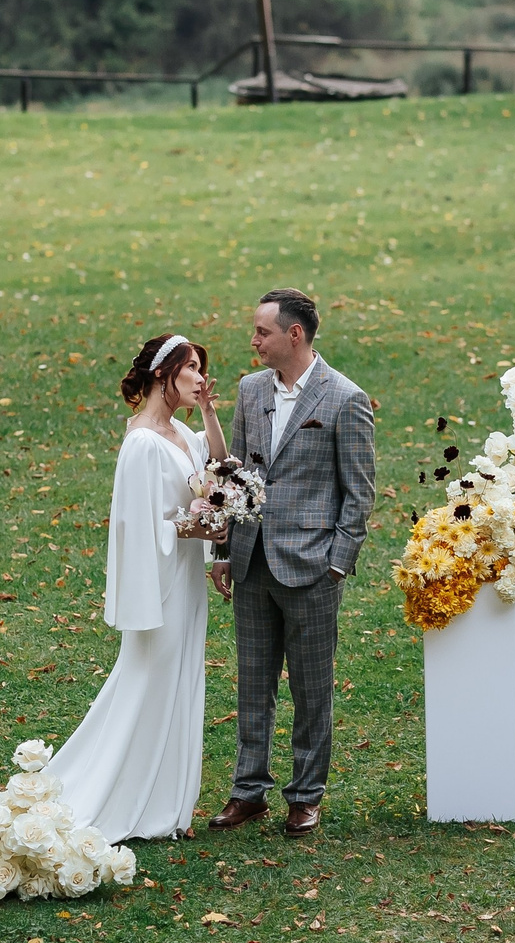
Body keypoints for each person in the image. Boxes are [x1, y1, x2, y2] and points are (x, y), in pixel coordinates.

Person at [38, 333, 229, 844]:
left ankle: (168, 801)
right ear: (162, 375)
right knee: (148, 681)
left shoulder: (181, 434)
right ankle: (129, 800)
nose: (199, 378)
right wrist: (188, 521)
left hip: (187, 579)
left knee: (181, 681)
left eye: (200, 369)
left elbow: (217, 466)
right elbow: (138, 529)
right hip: (162, 582)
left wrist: (209, 414)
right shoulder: (142, 443)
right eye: (190, 369)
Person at [210, 288, 376, 839]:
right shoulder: (250, 390)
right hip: (253, 560)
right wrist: (225, 550)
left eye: (262, 332)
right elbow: (232, 478)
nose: (253, 341)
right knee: (253, 683)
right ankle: (247, 791)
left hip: (312, 569)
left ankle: (306, 796)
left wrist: (337, 563)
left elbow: (359, 493)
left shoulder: (344, 399)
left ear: (294, 335)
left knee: (311, 688)